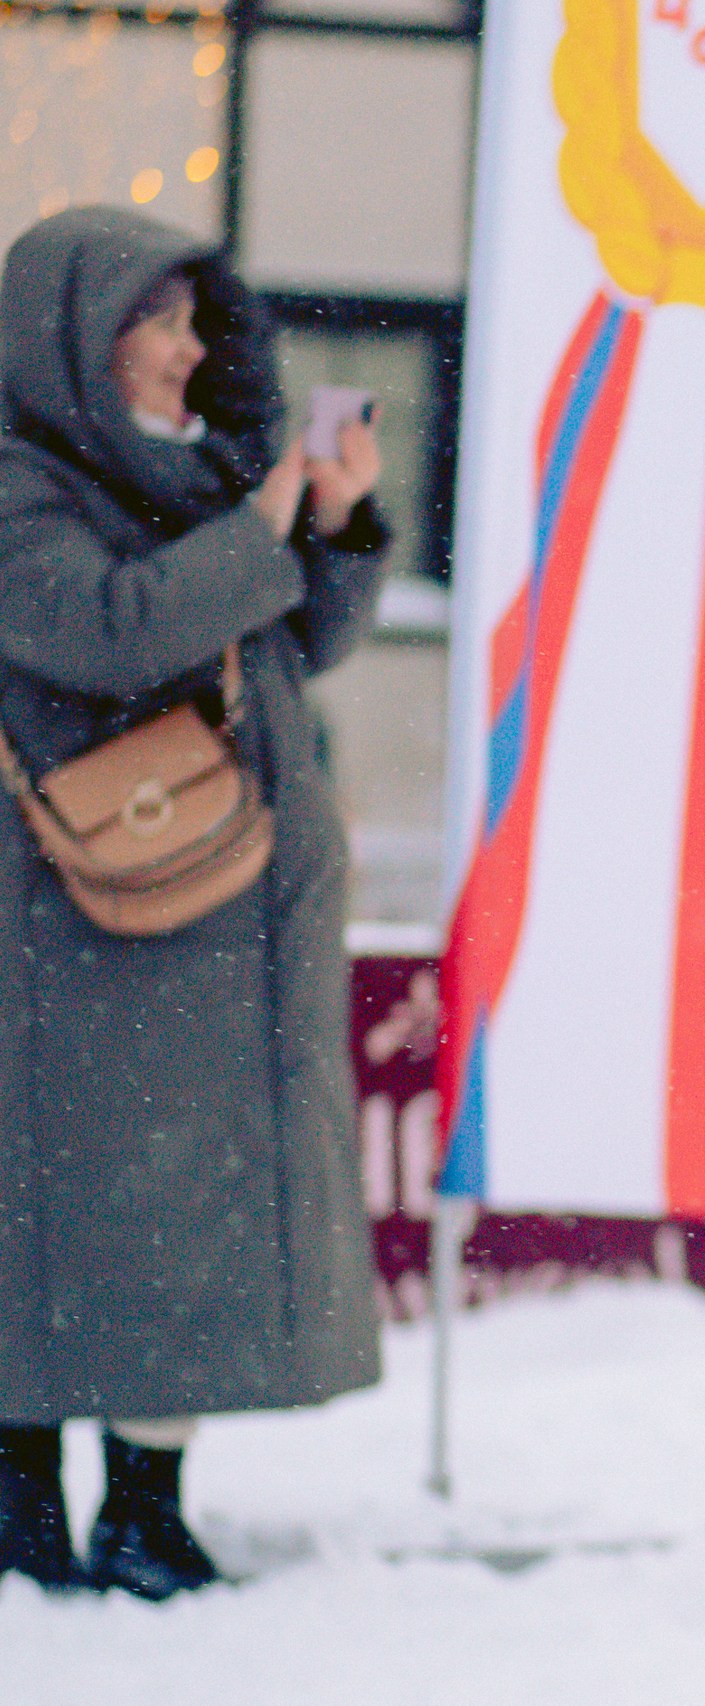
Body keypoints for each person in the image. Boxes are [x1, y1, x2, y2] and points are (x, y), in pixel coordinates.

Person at [0, 208, 389, 1598]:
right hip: (74, 930)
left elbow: (307, 639)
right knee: (55, 1215)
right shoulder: (18, 483)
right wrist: (264, 519)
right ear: (68, 337)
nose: (181, 347)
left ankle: (144, 1506)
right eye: (149, 320)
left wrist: (335, 524)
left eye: (191, 319)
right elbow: (107, 628)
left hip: (218, 922)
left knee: (183, 1225)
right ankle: (25, 1502)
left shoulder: (205, 470)